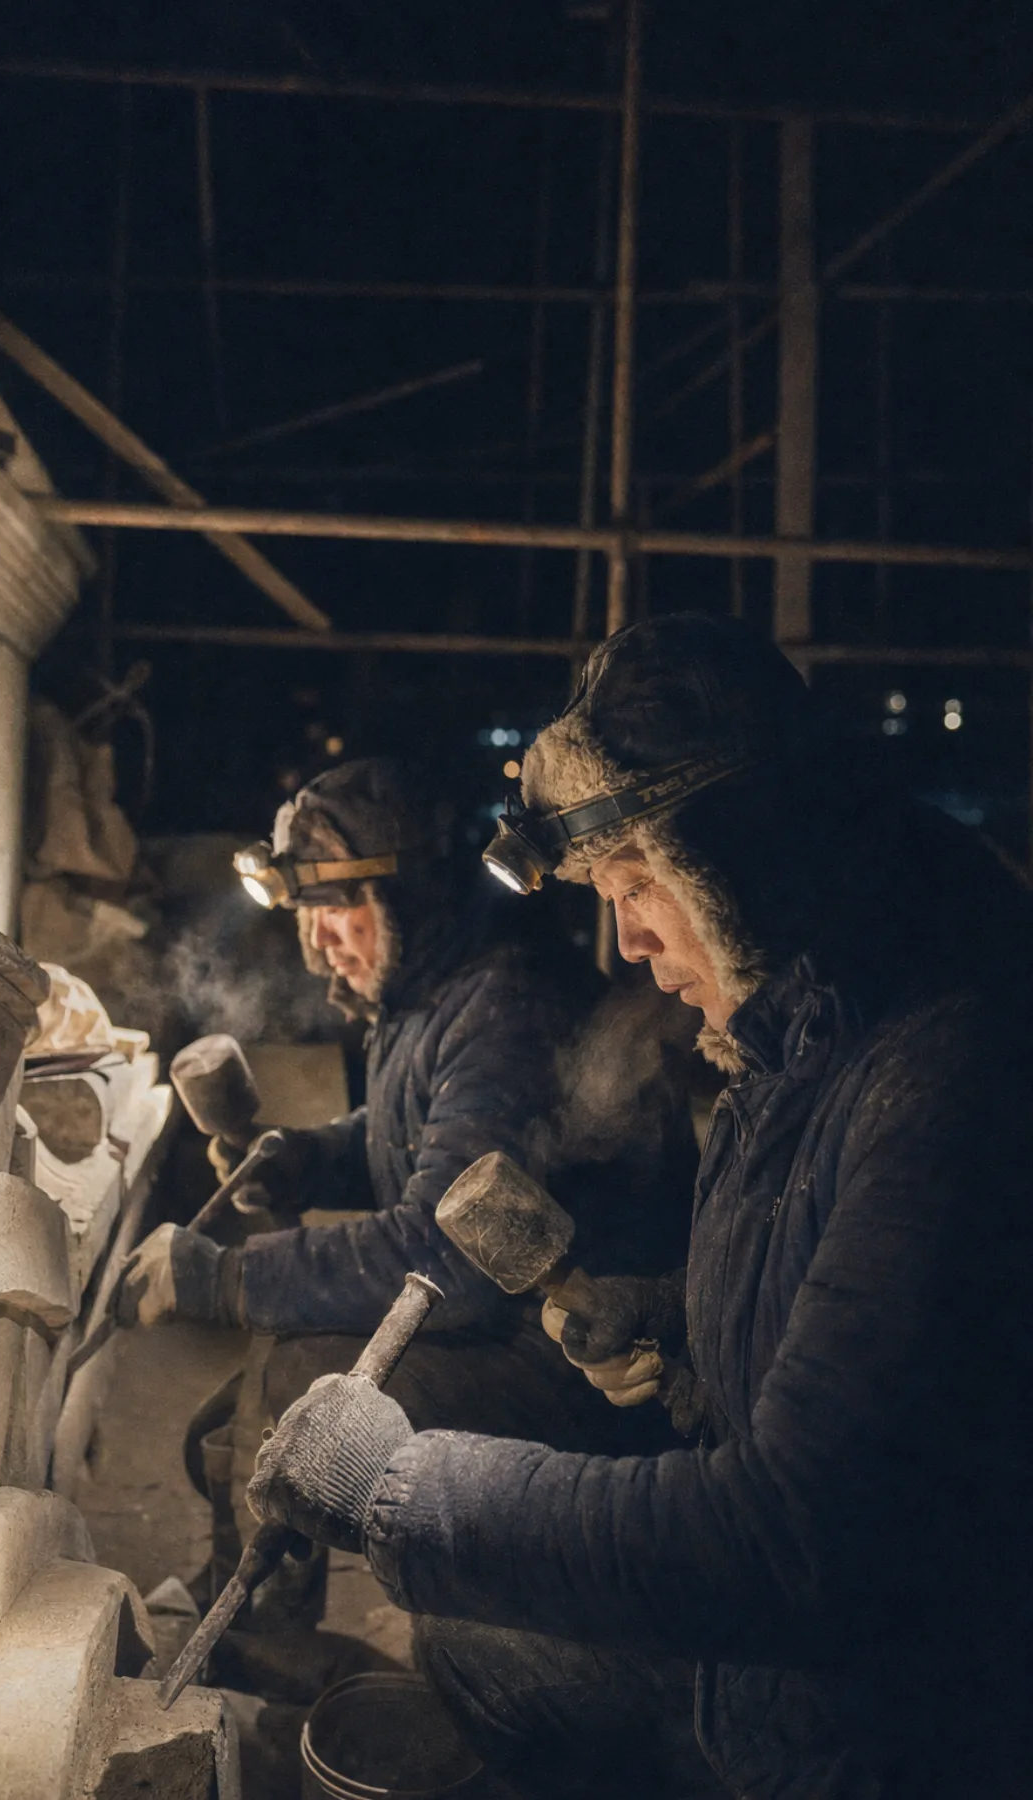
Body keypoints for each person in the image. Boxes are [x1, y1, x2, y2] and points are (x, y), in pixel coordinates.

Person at [244, 617, 1033, 1799]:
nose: (626, 939)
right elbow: (844, 1341)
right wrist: (672, 1330)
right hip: (797, 1672)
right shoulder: (794, 1031)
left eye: (639, 881)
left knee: (457, 1569)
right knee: (464, 1636)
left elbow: (792, 1540)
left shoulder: (945, 1084)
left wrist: (403, 1489)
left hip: (872, 1725)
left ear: (747, 858)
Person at [115, 756, 698, 1627]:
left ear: (407, 897)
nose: (318, 945)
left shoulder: (505, 1007)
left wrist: (221, 1276)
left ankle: (268, 1638)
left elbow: (442, 1254)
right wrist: (308, 1159)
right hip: (509, 1327)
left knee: (300, 1381)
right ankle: (249, 1616)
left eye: (336, 910)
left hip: (586, 1365)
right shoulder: (431, 993)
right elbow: (416, 1138)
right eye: (306, 918)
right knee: (224, 1435)